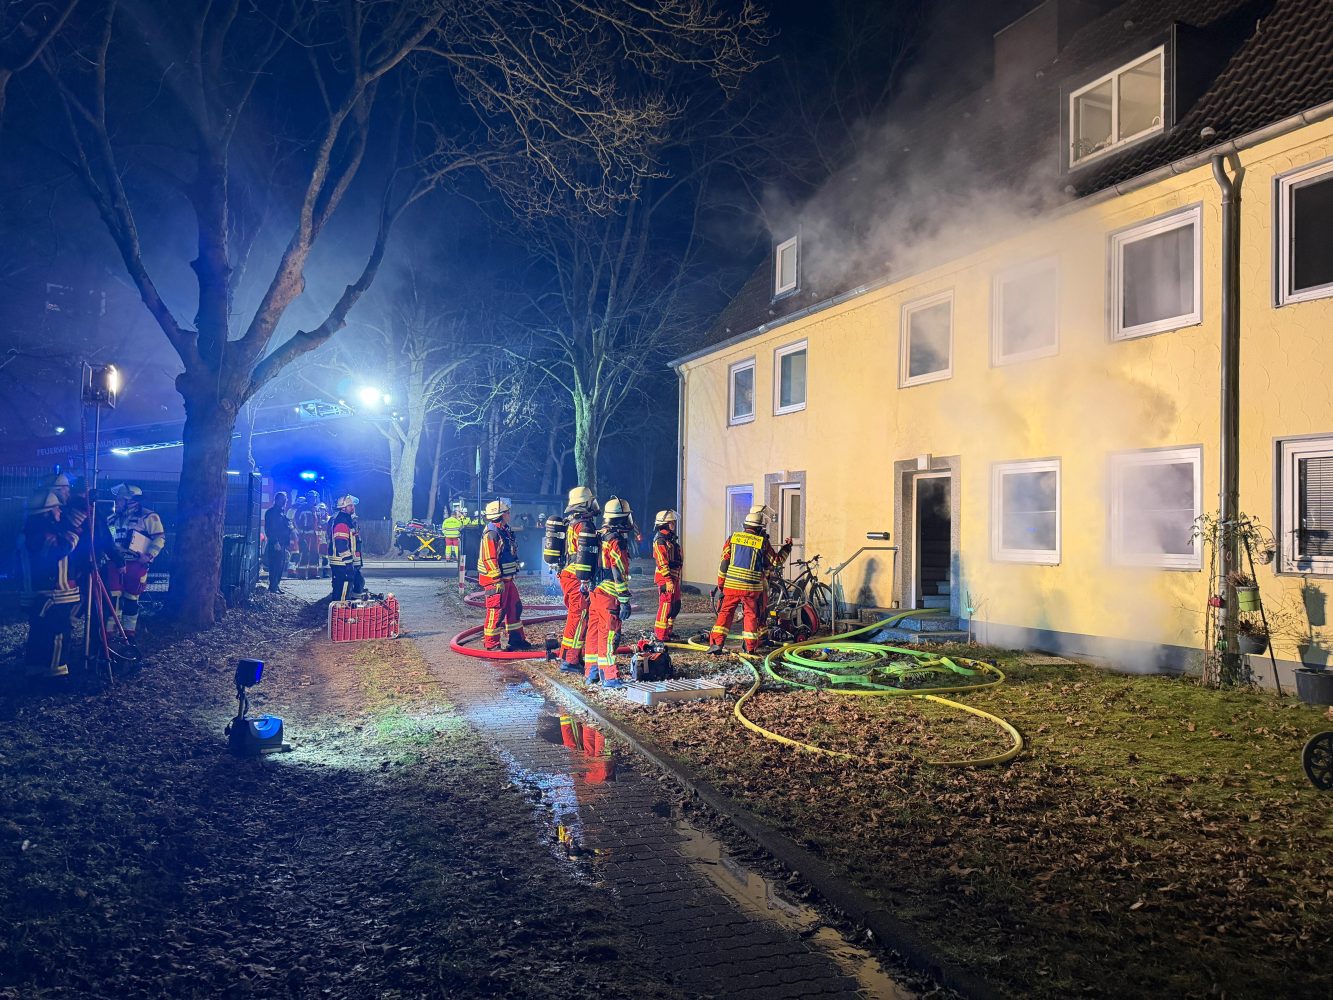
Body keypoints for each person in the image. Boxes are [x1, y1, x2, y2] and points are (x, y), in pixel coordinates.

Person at [709, 505, 791, 655]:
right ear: (760, 528)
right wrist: (787, 547)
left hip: (731, 586)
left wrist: (721, 585)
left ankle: (716, 644)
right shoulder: (762, 542)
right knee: (751, 616)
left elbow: (724, 564)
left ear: (745, 526)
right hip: (751, 589)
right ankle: (750, 647)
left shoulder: (732, 539)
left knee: (725, 614)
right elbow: (776, 561)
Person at [21, 490, 85, 679]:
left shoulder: (29, 532)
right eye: (56, 508)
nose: (60, 512)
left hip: (39, 593)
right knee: (58, 632)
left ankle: (35, 669)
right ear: (46, 512)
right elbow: (62, 548)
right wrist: (73, 530)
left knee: (39, 632)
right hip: (52, 594)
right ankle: (55, 674)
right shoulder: (44, 535)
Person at [583, 496, 633, 687]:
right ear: (621, 518)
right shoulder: (615, 540)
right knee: (610, 634)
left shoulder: (599, 534)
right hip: (609, 594)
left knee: (594, 633)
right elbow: (617, 570)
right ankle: (610, 677)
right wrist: (624, 598)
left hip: (595, 592)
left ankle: (592, 673)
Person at [106, 484, 166, 640]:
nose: (116, 502)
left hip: (136, 564)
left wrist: (149, 556)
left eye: (119, 499)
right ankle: (109, 633)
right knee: (113, 598)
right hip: (115, 564)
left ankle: (128, 634)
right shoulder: (111, 519)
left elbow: (159, 539)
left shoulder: (149, 517)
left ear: (130, 500)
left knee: (132, 599)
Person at [477, 499, 531, 651]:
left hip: (506, 579)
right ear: (500, 515)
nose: (509, 514)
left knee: (515, 607)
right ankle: (491, 643)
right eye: (507, 512)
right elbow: (490, 558)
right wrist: (497, 580)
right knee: (496, 611)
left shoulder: (503, 530)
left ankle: (516, 639)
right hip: (496, 581)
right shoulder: (491, 533)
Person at [557, 486, 600, 673]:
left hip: (570, 575)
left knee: (579, 616)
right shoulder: (583, 526)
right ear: (584, 504)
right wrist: (585, 581)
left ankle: (570, 656)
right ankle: (570, 660)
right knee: (579, 616)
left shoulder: (572, 523)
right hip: (576, 577)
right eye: (590, 501)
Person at [652, 509, 683, 641]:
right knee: (666, 605)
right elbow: (662, 562)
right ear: (664, 524)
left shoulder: (669, 539)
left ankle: (668, 631)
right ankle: (660, 634)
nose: (674, 524)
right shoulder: (660, 540)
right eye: (671, 522)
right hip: (665, 579)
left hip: (673, 577)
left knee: (675, 605)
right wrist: (668, 581)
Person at [328, 494, 365, 601]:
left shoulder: (347, 520)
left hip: (345, 562)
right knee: (342, 589)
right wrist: (349, 563)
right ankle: (340, 612)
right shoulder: (342, 522)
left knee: (358, 582)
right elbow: (341, 544)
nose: (353, 507)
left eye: (353, 505)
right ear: (343, 508)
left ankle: (353, 608)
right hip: (341, 563)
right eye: (350, 506)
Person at [264, 492, 293, 593]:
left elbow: (284, 527)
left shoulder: (281, 513)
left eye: (285, 499)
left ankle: (276, 585)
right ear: (277, 500)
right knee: (274, 565)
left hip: (282, 543)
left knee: (280, 566)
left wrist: (289, 528)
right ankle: (273, 586)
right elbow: (270, 529)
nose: (285, 502)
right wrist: (275, 542)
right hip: (276, 543)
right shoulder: (272, 513)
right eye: (283, 499)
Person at [294, 494, 319, 579]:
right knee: (304, 553)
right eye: (312, 498)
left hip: (313, 535)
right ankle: (301, 574)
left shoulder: (314, 509)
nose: (313, 500)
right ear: (308, 499)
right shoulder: (302, 509)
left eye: (315, 498)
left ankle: (313, 573)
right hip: (305, 534)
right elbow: (296, 521)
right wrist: (300, 533)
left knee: (314, 553)